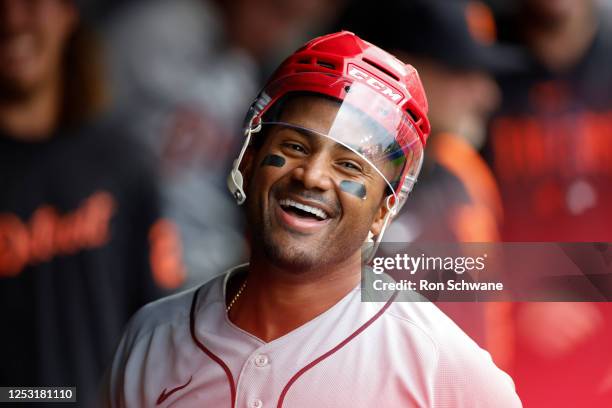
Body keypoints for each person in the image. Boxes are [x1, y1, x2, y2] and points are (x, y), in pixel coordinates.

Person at [104, 31, 521, 407]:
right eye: (296, 146)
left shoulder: (441, 367)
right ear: (248, 158)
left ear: (383, 210)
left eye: (350, 166)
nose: (313, 175)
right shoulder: (151, 338)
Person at [0, 0, 183, 405]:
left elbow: (161, 320)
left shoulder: (123, 162)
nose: (12, 19)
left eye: (30, 4)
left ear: (67, 13)